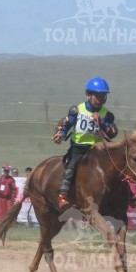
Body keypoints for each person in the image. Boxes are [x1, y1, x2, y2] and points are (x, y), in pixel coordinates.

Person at [52, 76, 119, 211]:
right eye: (97, 96)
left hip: (98, 149)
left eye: (103, 96)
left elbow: (112, 133)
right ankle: (63, 195)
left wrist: (102, 122)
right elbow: (65, 124)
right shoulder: (77, 110)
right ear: (88, 95)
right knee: (71, 166)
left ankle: (131, 195)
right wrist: (61, 134)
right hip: (79, 147)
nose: (100, 99)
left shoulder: (107, 114)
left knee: (117, 166)